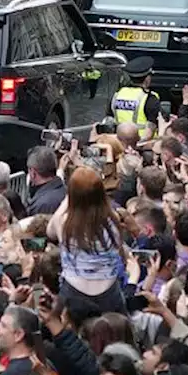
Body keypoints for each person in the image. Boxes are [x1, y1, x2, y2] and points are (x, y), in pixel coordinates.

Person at [47, 165, 126, 313]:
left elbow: (50, 232)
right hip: (109, 294)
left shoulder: (63, 222)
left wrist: (68, 198)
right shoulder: (113, 219)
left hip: (73, 294)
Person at [112, 56, 162, 138]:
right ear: (147, 79)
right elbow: (150, 131)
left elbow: (110, 121)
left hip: (120, 142)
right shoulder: (149, 98)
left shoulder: (118, 95)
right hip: (142, 145)